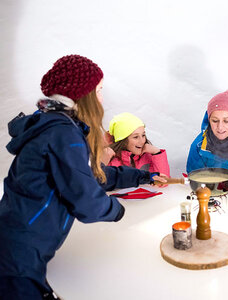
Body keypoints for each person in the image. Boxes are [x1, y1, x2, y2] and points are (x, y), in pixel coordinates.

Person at [0, 55, 165, 299]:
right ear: (83, 95)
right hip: (21, 256)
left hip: (18, 244)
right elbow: (86, 201)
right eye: (98, 90)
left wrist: (142, 176)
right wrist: (116, 210)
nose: (102, 98)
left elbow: (90, 176)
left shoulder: (53, 125)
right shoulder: (63, 133)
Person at [105, 112, 170, 177]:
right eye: (135, 137)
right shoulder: (111, 159)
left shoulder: (147, 156)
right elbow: (100, 183)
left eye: (143, 135)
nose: (142, 141)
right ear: (123, 141)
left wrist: (157, 153)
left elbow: (163, 181)